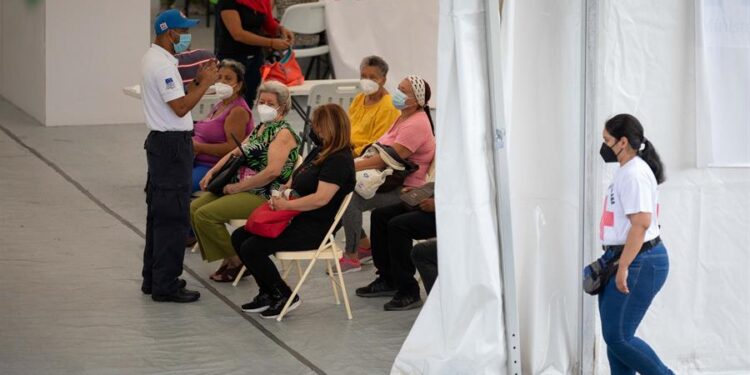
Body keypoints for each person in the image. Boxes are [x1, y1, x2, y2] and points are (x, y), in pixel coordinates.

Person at [231, 103, 355, 319]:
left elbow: (321, 199)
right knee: (240, 236)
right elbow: (295, 178)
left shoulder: (339, 160)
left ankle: (284, 295)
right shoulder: (321, 150)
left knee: (252, 247)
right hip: (296, 217)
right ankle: (267, 292)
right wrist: (281, 193)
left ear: (328, 127)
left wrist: (287, 205)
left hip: (314, 228)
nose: (313, 129)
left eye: (317, 125)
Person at [140, 9, 216, 303]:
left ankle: (153, 277)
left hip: (161, 145)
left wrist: (196, 83)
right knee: (173, 217)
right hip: (172, 147)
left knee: (158, 215)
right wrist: (206, 83)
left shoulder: (155, 59)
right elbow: (181, 108)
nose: (187, 36)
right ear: (168, 33)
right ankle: (166, 284)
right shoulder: (162, 67)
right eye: (182, 31)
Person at [190, 81, 300, 282]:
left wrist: (238, 187)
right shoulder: (261, 127)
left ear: (282, 107)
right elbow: (236, 151)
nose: (264, 106)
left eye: (270, 103)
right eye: (262, 101)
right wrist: (213, 172)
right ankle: (232, 258)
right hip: (244, 186)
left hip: (263, 194)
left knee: (205, 215)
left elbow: (272, 172)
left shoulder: (282, 133)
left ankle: (236, 260)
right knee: (195, 207)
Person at [597, 114, 674, 374]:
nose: (604, 146)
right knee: (615, 339)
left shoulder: (634, 175)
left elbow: (640, 224)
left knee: (619, 337)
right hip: (625, 258)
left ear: (623, 141)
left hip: (639, 261)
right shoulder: (627, 171)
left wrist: (623, 267)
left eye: (607, 140)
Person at [339, 75, 436, 273]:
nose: (397, 93)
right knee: (340, 187)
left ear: (417, 100)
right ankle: (364, 245)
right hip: (389, 177)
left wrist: (353, 166)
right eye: (398, 88)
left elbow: (390, 158)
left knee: (351, 200)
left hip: (406, 187)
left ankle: (352, 255)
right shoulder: (403, 117)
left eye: (403, 91)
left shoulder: (416, 124)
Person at [355, 184, 437, 310]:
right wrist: (423, 192)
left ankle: (408, 290)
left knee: (398, 225)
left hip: (453, 213)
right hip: (440, 200)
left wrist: (439, 204)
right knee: (380, 215)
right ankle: (388, 279)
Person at [191, 59, 255, 193]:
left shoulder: (237, 111)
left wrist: (198, 147)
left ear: (238, 85)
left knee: (177, 185)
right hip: (197, 160)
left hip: (215, 167)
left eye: (228, 78)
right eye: (219, 77)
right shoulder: (220, 105)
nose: (222, 82)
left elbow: (233, 148)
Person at [214, 0, 295, 105]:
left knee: (248, 100)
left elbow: (268, 24)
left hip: (255, 57)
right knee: (229, 101)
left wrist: (280, 29)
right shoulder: (227, 2)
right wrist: (271, 43)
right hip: (232, 58)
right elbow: (238, 34)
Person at [349, 56, 401, 157]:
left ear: (383, 80)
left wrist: (350, 155)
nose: (367, 81)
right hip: (348, 149)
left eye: (372, 77)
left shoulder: (388, 107)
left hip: (364, 156)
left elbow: (376, 145)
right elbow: (347, 127)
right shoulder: (359, 98)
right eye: (363, 76)